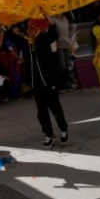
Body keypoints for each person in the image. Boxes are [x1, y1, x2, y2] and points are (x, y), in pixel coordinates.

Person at [25, 18, 69, 148]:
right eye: (28, 28)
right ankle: (48, 135)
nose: (28, 31)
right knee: (42, 112)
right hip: (36, 85)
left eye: (32, 28)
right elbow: (28, 66)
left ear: (38, 30)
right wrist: (28, 82)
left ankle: (63, 129)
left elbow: (53, 34)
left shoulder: (44, 40)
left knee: (55, 108)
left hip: (49, 83)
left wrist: (50, 21)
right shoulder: (27, 43)